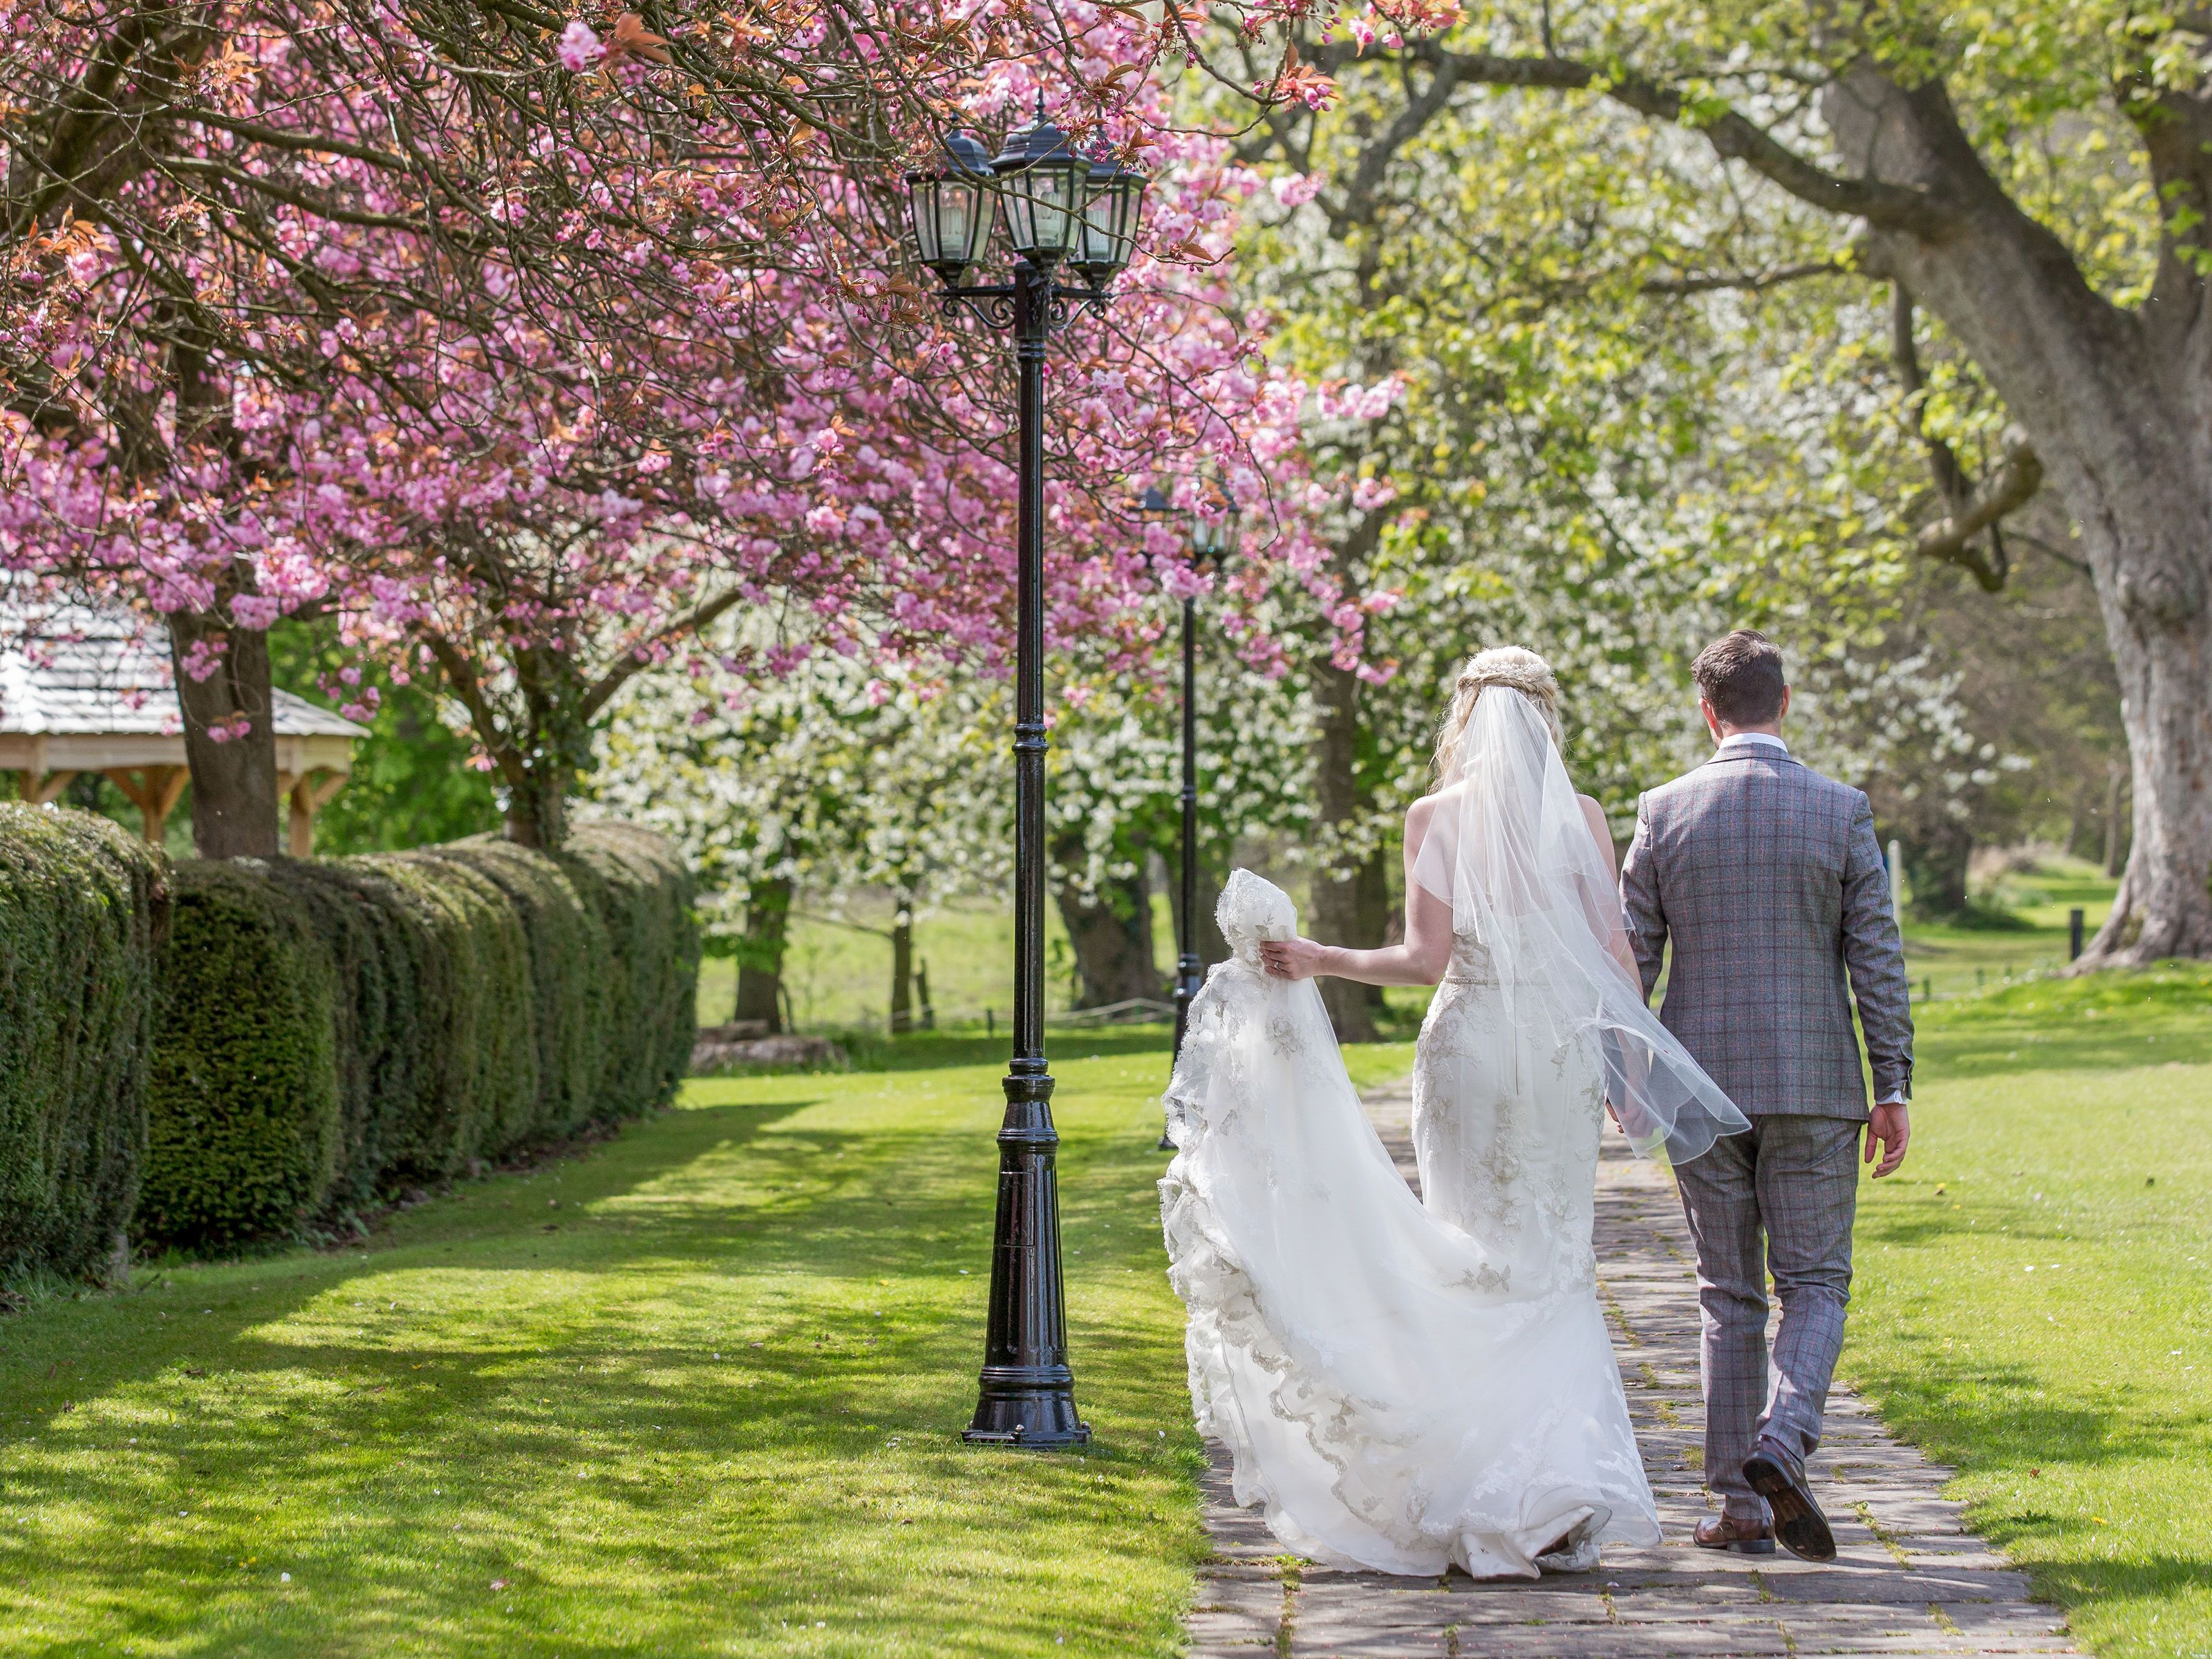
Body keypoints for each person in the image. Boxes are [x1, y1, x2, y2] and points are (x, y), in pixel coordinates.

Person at [1156, 646, 1748, 1578]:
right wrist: (1631, 1068)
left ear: (1465, 721)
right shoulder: (1583, 818)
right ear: (1545, 720)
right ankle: (1557, 1492)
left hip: (1470, 1046)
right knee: (1553, 1259)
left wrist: (1320, 957)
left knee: (1471, 1253)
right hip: (1557, 1053)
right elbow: (1616, 958)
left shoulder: (1434, 816)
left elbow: (1423, 960)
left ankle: (1475, 1474)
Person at [1619, 628, 1913, 1562]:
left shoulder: (1663, 811)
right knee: (1816, 1281)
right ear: (1784, 704)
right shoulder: (1840, 810)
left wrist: (1628, 1082)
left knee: (1726, 1292)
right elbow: (1877, 958)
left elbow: (1629, 965)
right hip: (1820, 1084)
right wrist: (1892, 1082)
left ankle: (1740, 1512)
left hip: (1700, 1088)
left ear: (1707, 713)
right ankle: (1781, 1444)